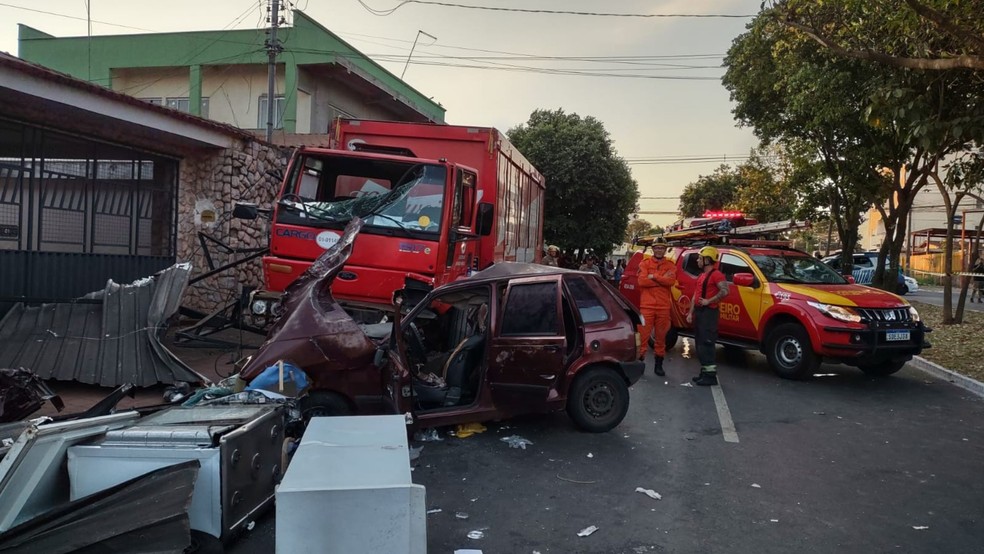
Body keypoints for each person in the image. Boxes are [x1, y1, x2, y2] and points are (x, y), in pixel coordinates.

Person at [687, 246, 729, 386]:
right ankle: (704, 373)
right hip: (700, 313)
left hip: (709, 314)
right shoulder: (702, 276)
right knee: (700, 344)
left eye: (700, 258)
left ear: (707, 260)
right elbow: (695, 295)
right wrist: (690, 312)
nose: (697, 261)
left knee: (707, 344)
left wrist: (709, 301)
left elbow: (725, 291)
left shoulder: (717, 275)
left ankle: (710, 376)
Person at [636, 238, 677, 376]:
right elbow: (642, 281)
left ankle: (658, 365)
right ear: (653, 249)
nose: (659, 250)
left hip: (663, 308)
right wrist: (661, 279)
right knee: (643, 337)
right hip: (647, 306)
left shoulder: (671, 265)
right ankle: (639, 364)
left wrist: (653, 276)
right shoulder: (644, 263)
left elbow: (671, 281)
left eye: (662, 248)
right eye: (657, 247)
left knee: (661, 338)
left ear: (665, 250)